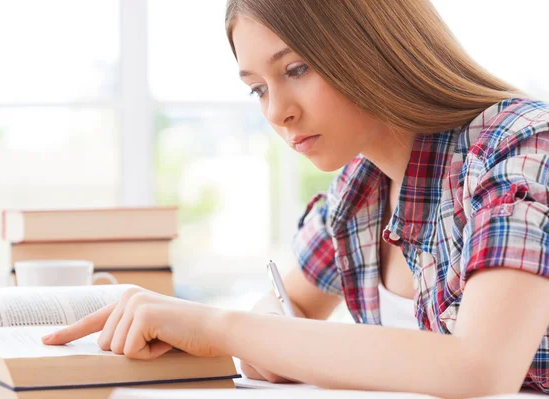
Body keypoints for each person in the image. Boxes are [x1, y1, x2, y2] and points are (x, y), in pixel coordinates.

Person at [42, 0, 549, 397]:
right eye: (257, 88)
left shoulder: (519, 146)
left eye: (297, 69)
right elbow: (290, 306)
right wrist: (265, 339)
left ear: (375, 45)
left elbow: (481, 365)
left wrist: (220, 327)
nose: (277, 112)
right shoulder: (360, 190)